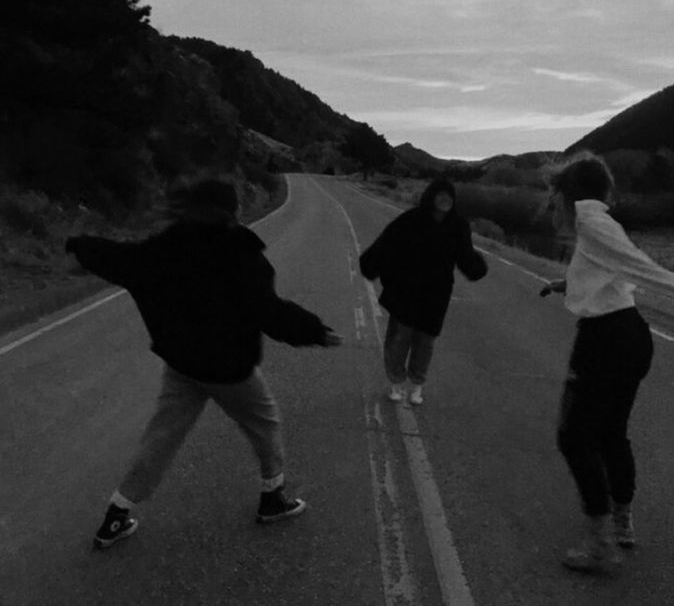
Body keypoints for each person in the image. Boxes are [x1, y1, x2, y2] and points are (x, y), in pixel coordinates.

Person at [65, 176, 342, 549]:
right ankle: (273, 497)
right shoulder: (240, 253)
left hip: (182, 364)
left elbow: (121, 258)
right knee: (264, 422)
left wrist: (80, 246)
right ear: (231, 210)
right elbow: (269, 311)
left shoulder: (166, 246)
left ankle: (116, 514)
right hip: (228, 370)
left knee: (162, 436)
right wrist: (315, 331)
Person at [540, 152, 674, 574]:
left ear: (568, 192)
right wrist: (564, 284)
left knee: (572, 435)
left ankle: (600, 541)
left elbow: (640, 268)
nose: (552, 206)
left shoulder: (589, 220)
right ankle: (621, 521)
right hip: (629, 336)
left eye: (554, 196)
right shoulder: (600, 224)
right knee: (610, 431)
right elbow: (608, 269)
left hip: (605, 340)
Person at [359, 177, 487, 405]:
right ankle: (396, 384)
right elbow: (387, 243)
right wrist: (371, 265)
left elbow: (465, 255)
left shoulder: (458, 226)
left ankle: (417, 387)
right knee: (399, 339)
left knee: (425, 343)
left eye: (449, 197)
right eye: (440, 195)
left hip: (436, 295)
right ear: (431, 196)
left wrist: (477, 268)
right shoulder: (411, 220)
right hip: (405, 291)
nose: (445, 200)